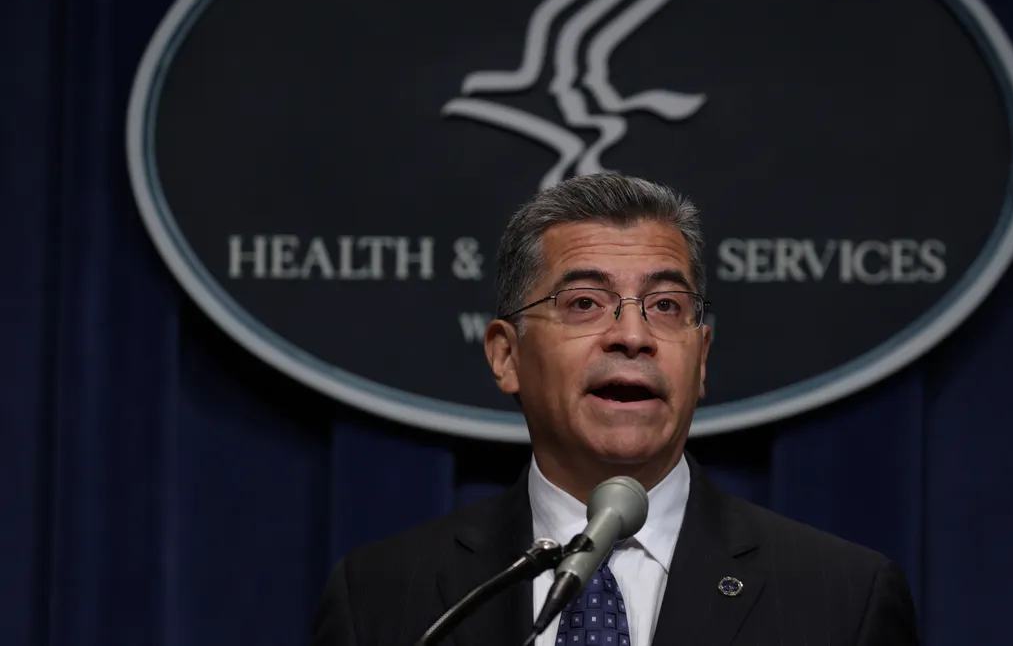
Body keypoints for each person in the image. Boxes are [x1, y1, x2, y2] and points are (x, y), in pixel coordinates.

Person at [311, 173, 920, 646]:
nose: (633, 334)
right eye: (584, 303)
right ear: (506, 356)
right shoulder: (384, 596)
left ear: (701, 356)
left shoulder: (841, 597)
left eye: (665, 305)